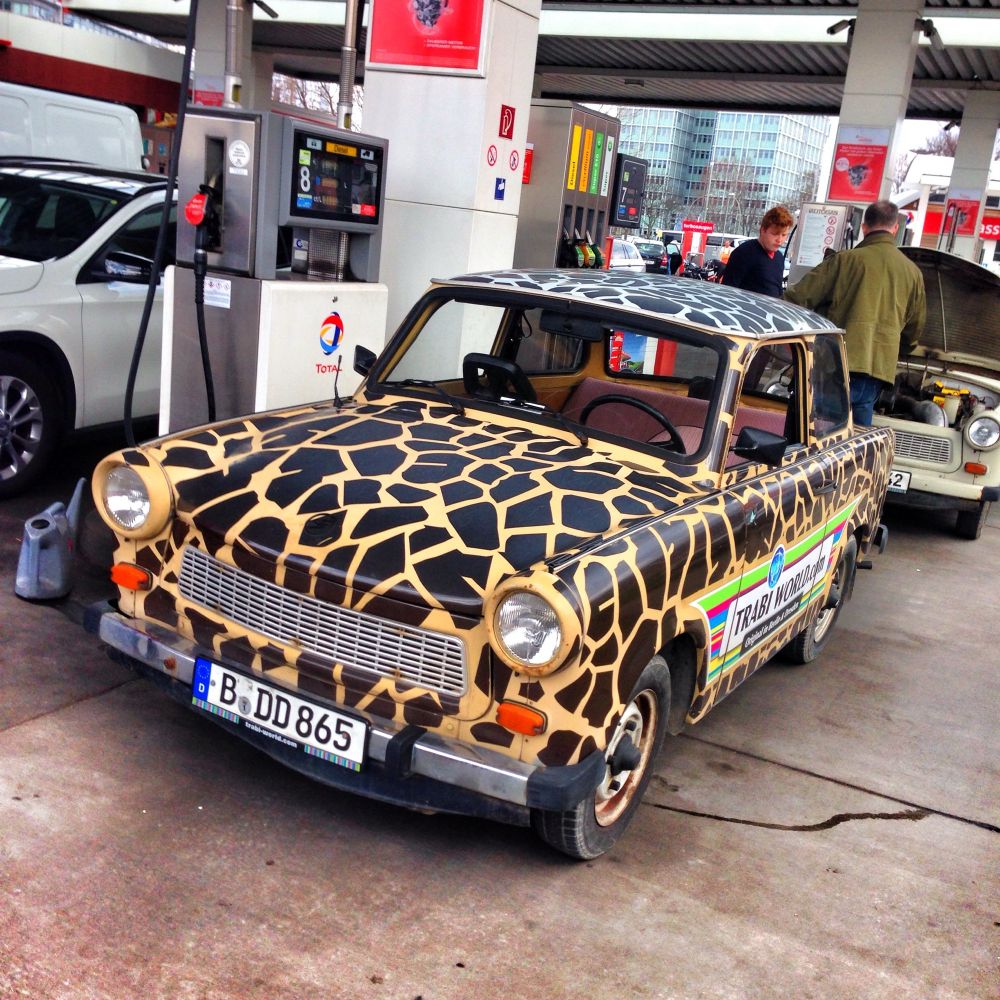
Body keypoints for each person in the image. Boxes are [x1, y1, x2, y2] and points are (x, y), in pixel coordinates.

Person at [784, 199, 926, 426]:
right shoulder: (913, 273)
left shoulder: (844, 261)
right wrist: (896, 350)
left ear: (864, 226)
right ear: (895, 228)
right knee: (858, 440)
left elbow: (797, 297)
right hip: (877, 370)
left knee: (818, 432)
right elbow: (914, 330)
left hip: (837, 362)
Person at [721, 206, 794, 297]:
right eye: (775, 234)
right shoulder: (744, 253)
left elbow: (778, 292)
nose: (779, 240)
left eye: (784, 235)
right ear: (763, 230)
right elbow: (727, 291)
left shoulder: (779, 257)